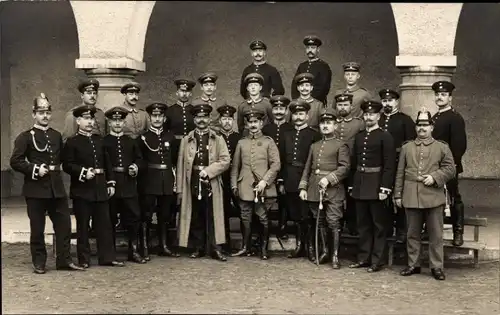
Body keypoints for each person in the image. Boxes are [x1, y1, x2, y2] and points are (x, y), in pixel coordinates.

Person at [10, 93, 85, 274]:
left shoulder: (56, 135)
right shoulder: (25, 137)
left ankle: (64, 260)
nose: (45, 116)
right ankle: (39, 262)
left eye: (47, 112)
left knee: (64, 226)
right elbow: (16, 161)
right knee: (37, 228)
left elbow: (63, 160)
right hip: (35, 189)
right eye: (41, 112)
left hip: (56, 189)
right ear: (34, 114)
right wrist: (34, 169)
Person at [395, 108, 456, 281]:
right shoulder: (407, 147)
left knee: (435, 235)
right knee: (412, 234)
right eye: (419, 124)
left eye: (425, 124)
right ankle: (413, 264)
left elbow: (451, 169)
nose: (422, 128)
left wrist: (435, 177)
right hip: (411, 195)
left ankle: (436, 266)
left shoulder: (442, 147)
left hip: (433, 196)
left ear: (432, 127)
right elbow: (400, 172)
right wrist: (398, 195)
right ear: (415, 127)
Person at [62, 104, 124, 268]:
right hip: (82, 189)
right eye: (86, 119)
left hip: (100, 188)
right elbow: (67, 165)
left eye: (91, 118)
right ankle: (84, 259)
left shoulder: (99, 140)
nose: (90, 122)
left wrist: (111, 182)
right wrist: (82, 172)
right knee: (83, 226)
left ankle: (107, 257)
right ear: (78, 120)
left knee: (105, 224)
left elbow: (107, 163)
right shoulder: (72, 142)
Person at [177, 104, 231, 261]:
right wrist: (180, 188)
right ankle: (198, 247)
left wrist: (208, 171)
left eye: (205, 117)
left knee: (213, 214)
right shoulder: (186, 140)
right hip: (192, 180)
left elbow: (225, 160)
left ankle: (215, 248)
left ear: (209, 119)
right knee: (195, 213)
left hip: (211, 181)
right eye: (199, 117)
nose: (202, 120)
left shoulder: (218, 138)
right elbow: (181, 164)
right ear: (194, 119)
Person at [348, 100, 395, 272]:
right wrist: (353, 185)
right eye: (366, 114)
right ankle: (363, 257)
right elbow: (354, 163)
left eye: (372, 114)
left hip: (376, 185)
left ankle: (377, 260)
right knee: (363, 224)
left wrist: (385, 188)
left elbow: (389, 165)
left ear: (378, 116)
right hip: (360, 184)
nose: (368, 117)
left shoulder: (385, 136)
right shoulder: (359, 136)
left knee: (378, 225)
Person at [299, 112, 350, 268]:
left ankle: (335, 256)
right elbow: (308, 167)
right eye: (323, 123)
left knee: (333, 221)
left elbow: (345, 167)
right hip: (315, 187)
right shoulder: (315, 146)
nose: (325, 126)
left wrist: (329, 178)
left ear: (335, 126)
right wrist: (303, 186)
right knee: (319, 221)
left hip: (334, 189)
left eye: (329, 123)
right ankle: (325, 252)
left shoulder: (341, 145)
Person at [231, 108, 281, 260]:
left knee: (263, 217)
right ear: (246, 124)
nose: (253, 125)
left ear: (261, 123)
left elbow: (276, 164)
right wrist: (234, 185)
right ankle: (245, 247)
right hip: (244, 186)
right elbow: (235, 166)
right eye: (250, 122)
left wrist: (265, 182)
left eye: (255, 122)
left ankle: (264, 249)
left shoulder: (268, 142)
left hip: (262, 188)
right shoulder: (241, 143)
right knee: (245, 217)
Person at [103, 106, 146, 264]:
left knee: (134, 217)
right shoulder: (104, 142)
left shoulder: (131, 141)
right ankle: (111, 252)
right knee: (110, 218)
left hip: (129, 184)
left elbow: (141, 160)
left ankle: (133, 250)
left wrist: (135, 167)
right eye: (114, 121)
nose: (117, 124)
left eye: (120, 120)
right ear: (109, 122)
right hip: (111, 185)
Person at [279, 100, 321, 260]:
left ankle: (310, 247)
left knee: (307, 215)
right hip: (290, 178)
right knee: (296, 215)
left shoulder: (313, 135)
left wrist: (310, 181)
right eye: (295, 114)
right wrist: (282, 181)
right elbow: (282, 159)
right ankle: (299, 246)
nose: (298, 117)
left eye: (301, 114)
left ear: (307, 115)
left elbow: (315, 160)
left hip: (307, 178)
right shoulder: (286, 135)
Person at [137, 103, 179, 260]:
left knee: (165, 214)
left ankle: (164, 245)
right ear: (149, 118)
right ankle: (145, 246)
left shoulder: (170, 137)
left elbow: (174, 160)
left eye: (159, 116)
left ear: (164, 118)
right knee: (146, 215)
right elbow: (140, 160)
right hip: (149, 180)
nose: (157, 119)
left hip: (166, 179)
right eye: (154, 116)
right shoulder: (143, 138)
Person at [431, 81, 467, 247]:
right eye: (437, 94)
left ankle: (457, 232)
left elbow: (459, 146)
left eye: (443, 94)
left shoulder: (455, 118)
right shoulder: (434, 117)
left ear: (450, 98)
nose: (439, 97)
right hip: (433, 166)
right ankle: (431, 231)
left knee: (453, 198)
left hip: (449, 166)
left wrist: (448, 166)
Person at [378, 88, 417, 243]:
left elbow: (410, 144)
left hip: (398, 163)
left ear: (396, 102)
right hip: (381, 165)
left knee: (399, 196)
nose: (387, 103)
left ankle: (402, 230)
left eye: (390, 100)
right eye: (384, 101)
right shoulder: (378, 119)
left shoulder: (405, 120)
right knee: (383, 197)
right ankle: (386, 228)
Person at [333, 93, 365, 236]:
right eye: (340, 105)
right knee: (335, 196)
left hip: (352, 166)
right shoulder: (332, 123)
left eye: (345, 104)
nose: (342, 107)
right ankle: (336, 225)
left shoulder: (358, 123)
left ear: (351, 107)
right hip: (334, 166)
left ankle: (353, 225)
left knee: (352, 197)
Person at [262, 95, 293, 239]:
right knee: (265, 198)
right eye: (276, 108)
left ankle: (283, 226)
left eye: (282, 109)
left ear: (286, 111)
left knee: (284, 198)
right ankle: (264, 228)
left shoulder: (291, 128)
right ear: (272, 110)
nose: (279, 111)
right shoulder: (266, 129)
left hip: (285, 169)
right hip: (267, 168)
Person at [216, 104, 241, 253]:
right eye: (224, 119)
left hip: (237, 178)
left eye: (229, 119)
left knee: (243, 209)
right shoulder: (216, 137)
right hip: (220, 178)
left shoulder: (239, 137)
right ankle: (224, 243)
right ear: (219, 120)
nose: (227, 122)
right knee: (222, 210)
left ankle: (247, 243)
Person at [291, 35, 332, 105]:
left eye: (313, 48)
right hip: (300, 103)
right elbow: (294, 85)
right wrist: (297, 100)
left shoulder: (324, 66)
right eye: (308, 48)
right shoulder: (302, 66)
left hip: (316, 103)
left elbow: (324, 88)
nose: (310, 50)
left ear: (318, 49)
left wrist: (310, 100)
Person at [165, 79, 197, 166]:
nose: (184, 94)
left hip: (191, 146)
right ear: (177, 92)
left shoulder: (194, 111)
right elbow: (165, 131)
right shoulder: (169, 111)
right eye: (182, 91)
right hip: (175, 147)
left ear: (190, 94)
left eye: (187, 91)